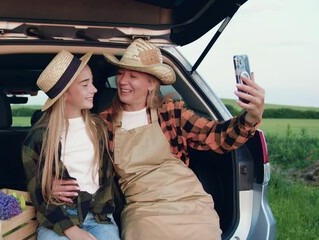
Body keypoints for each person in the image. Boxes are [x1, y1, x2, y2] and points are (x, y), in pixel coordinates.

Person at [53, 39, 265, 240]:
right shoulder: (102, 123)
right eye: (120, 73)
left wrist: (251, 116)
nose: (123, 81)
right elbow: (76, 158)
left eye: (132, 76)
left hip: (190, 204)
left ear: (151, 84)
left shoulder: (171, 112)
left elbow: (217, 137)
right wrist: (53, 184)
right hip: (143, 209)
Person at [22, 50, 120, 240]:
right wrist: (70, 230)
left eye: (92, 82)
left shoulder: (99, 127)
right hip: (59, 218)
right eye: (85, 84)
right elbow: (38, 195)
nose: (94, 89)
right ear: (65, 94)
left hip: (99, 216)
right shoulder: (38, 138)